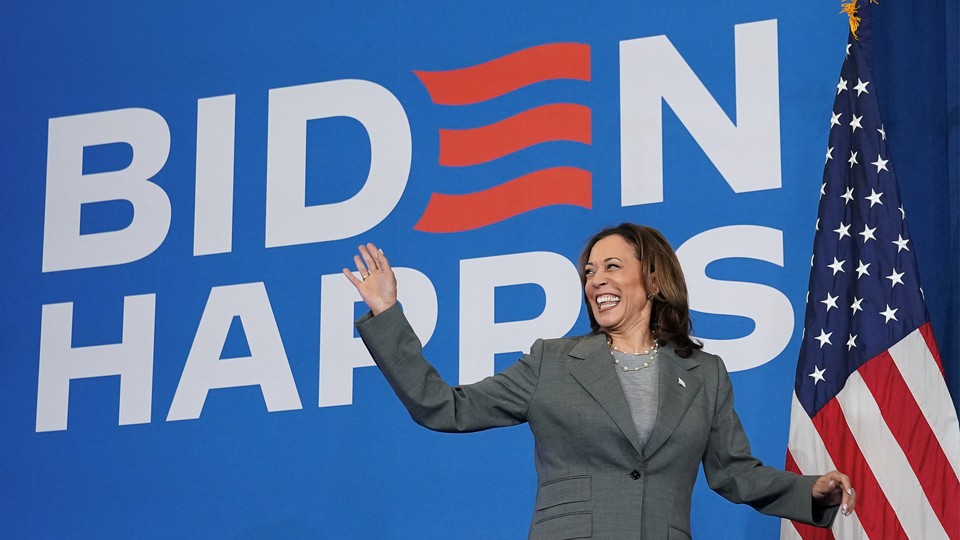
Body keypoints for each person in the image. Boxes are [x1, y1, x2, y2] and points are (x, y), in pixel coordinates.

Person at [343, 223, 856, 539]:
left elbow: (733, 472)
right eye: (589, 271)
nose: (597, 280)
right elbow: (443, 407)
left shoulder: (704, 373)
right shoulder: (554, 363)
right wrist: (387, 313)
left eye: (613, 266)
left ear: (653, 280)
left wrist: (812, 490)